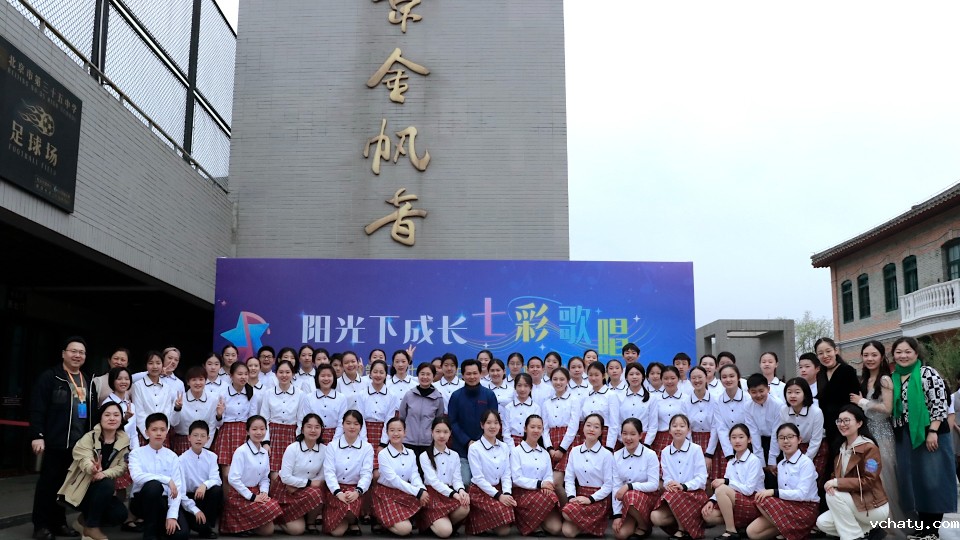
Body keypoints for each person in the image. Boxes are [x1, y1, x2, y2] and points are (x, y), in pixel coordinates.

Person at [30, 336, 96, 540]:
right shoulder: (51, 377)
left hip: (78, 445)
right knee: (48, 485)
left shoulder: (87, 380)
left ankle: (59, 523)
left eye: (81, 352)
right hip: (55, 442)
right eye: (73, 351)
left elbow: (92, 415)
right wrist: (37, 435)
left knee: (65, 487)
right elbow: (37, 408)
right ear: (63, 354)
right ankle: (41, 526)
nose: (77, 355)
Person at [891, 336, 956, 539]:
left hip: (929, 433)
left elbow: (939, 403)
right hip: (905, 436)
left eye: (907, 351)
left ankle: (932, 531)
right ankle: (922, 528)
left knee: (933, 481)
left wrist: (933, 431)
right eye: (898, 352)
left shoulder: (927, 373)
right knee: (914, 482)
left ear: (916, 353)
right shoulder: (894, 377)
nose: (903, 355)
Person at [57, 401, 130, 540]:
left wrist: (104, 473)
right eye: (107, 415)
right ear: (100, 418)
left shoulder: (123, 441)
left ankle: (83, 521)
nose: (112, 418)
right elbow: (83, 457)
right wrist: (93, 468)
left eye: (116, 415)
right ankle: (91, 528)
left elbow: (122, 467)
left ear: (121, 419)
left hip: (103, 490)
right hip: (82, 489)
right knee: (107, 484)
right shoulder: (89, 437)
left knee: (119, 514)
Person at [816, 404, 888, 540]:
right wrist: (833, 483)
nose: (842, 424)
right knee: (823, 522)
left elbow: (869, 480)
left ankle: (853, 537)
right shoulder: (841, 448)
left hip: (872, 506)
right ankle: (868, 532)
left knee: (833, 496)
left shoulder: (869, 448)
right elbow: (835, 475)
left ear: (859, 423)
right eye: (839, 421)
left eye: (847, 420)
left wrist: (836, 483)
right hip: (852, 503)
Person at [850, 340, 902, 524]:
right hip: (867, 436)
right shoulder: (864, 380)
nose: (869, 359)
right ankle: (875, 523)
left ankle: (890, 524)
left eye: (874, 355)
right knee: (870, 477)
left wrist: (863, 402)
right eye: (866, 355)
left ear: (882, 357)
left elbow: (887, 408)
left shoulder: (885, 379)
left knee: (883, 478)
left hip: (882, 436)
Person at [746, 423, 819, 540]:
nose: (786, 441)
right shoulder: (780, 465)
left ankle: (795, 531)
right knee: (752, 532)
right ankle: (792, 530)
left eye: (790, 437)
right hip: (787, 507)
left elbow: (802, 494)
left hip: (805, 508)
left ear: (799, 440)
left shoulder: (806, 463)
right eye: (782, 438)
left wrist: (773, 492)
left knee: (763, 500)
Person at [128, 412, 190, 540]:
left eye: (162, 430)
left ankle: (160, 527)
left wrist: (172, 516)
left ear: (167, 432)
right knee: (154, 486)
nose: (158, 433)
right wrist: (166, 479)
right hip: (142, 501)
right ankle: (150, 533)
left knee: (181, 535)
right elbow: (137, 477)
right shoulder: (136, 453)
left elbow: (177, 487)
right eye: (154, 429)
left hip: (164, 502)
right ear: (147, 432)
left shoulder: (172, 456)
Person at [221, 415, 283, 536]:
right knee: (272, 508)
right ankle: (237, 525)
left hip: (256, 492)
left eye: (262, 429)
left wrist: (264, 492)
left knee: (267, 530)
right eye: (254, 429)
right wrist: (252, 496)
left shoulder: (264, 452)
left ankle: (248, 525)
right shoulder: (241, 451)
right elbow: (233, 479)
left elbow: (265, 478)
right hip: (240, 495)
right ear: (247, 431)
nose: (259, 432)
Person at [650, 414, 709, 540]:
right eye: (674, 426)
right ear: (669, 430)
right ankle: (686, 523)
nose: (678, 429)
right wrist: (669, 484)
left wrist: (684, 486)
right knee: (655, 516)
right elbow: (666, 477)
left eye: (682, 426)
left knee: (674, 495)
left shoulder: (696, 449)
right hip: (674, 494)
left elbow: (702, 478)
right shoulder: (665, 452)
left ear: (688, 430)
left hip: (694, 494)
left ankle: (682, 530)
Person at [702, 423, 764, 540]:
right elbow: (726, 484)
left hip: (753, 502)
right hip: (737, 501)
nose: (737, 441)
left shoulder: (754, 461)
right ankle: (740, 527)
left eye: (741, 437)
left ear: (749, 439)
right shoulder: (731, 462)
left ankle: (731, 531)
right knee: (708, 515)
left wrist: (726, 481)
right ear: (729, 440)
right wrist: (712, 500)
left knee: (721, 488)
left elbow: (748, 490)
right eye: (733, 437)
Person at [561, 413, 615, 538]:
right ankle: (590, 526)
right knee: (568, 531)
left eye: (596, 427)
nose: (591, 429)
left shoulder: (606, 455)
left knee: (567, 514)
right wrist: (571, 497)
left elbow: (608, 485)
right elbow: (569, 478)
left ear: (601, 431)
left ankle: (592, 523)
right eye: (588, 425)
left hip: (598, 499)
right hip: (579, 496)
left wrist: (591, 499)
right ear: (583, 427)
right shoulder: (575, 451)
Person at [373, 418, 428, 536]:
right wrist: (417, 492)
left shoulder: (411, 453)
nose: (396, 433)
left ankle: (399, 520)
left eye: (399, 430)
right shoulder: (383, 454)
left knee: (427, 500)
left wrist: (421, 489)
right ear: (387, 433)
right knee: (405, 529)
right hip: (386, 494)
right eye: (392, 430)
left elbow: (414, 475)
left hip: (405, 492)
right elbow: (394, 480)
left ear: (405, 432)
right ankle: (383, 521)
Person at [448, 359, 500, 486]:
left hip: (485, 447)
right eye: (468, 374)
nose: (472, 377)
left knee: (486, 481)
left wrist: (480, 441)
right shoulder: (456, 396)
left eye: (475, 373)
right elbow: (452, 422)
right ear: (462, 375)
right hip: (462, 449)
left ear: (480, 373)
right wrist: (467, 441)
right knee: (465, 481)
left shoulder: (489, 395)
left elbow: (493, 422)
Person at [323, 410, 374, 536]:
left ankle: (352, 521)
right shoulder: (332, 446)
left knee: (349, 508)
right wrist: (337, 492)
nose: (352, 427)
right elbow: (329, 472)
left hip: (355, 490)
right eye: (348, 423)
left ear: (361, 427)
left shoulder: (367, 447)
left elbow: (367, 473)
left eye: (356, 424)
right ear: (343, 425)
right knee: (337, 532)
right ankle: (348, 521)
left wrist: (357, 492)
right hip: (336, 490)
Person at [511, 414, 563, 536]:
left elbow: (548, 475)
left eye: (539, 428)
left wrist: (547, 485)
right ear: (525, 429)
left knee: (556, 529)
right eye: (532, 427)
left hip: (542, 493)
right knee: (546, 498)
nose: (536, 430)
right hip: (523, 493)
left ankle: (537, 520)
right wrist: (540, 484)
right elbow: (516, 478)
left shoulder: (544, 453)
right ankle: (529, 522)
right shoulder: (516, 451)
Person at [466, 410, 516, 536]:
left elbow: (506, 474)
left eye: (496, 423)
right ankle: (478, 519)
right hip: (480, 492)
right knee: (503, 524)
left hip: (499, 489)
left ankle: (489, 522)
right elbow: (478, 478)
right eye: (488, 423)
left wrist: (507, 494)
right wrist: (499, 496)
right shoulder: (474, 448)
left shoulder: (504, 447)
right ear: (482, 425)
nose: (492, 426)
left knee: (504, 530)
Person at [418, 417, 470, 538]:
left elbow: (457, 479)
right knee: (445, 532)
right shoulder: (424, 456)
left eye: (445, 432)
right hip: (433, 495)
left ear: (450, 433)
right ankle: (434, 525)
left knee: (465, 507)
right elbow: (434, 482)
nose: (442, 435)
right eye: (438, 431)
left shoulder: (455, 455)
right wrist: (454, 494)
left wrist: (461, 491)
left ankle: (444, 525)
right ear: (432, 432)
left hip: (449, 494)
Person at [276, 413, 327, 535]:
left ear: (321, 430)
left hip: (308, 490)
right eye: (309, 426)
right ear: (302, 429)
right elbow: (285, 477)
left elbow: (323, 475)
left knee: (317, 492)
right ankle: (278, 520)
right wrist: (308, 483)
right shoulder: (292, 448)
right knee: (296, 530)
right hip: (287, 491)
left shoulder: (325, 450)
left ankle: (310, 522)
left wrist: (304, 485)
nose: (313, 430)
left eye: (317, 427)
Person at [768, 378, 826, 484]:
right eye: (789, 392)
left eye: (797, 392)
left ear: (805, 394)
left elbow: (816, 440)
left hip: (814, 449)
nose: (793, 396)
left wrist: (803, 461)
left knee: (810, 480)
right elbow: (782, 435)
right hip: (792, 447)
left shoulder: (816, 412)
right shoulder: (784, 410)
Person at [611, 417, 660, 540]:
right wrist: (617, 515)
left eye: (633, 434)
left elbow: (654, 484)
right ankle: (636, 521)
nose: (628, 438)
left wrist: (629, 486)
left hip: (647, 498)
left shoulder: (650, 455)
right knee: (620, 534)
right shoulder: (616, 456)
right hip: (627, 502)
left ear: (640, 435)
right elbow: (616, 487)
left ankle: (644, 526)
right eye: (625, 433)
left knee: (630, 495)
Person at [213, 361, 261, 484]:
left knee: (243, 473)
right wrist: (219, 415)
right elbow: (218, 424)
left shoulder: (251, 393)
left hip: (244, 433)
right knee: (227, 475)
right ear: (231, 376)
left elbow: (253, 418)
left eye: (245, 374)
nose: (243, 377)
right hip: (227, 433)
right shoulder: (223, 393)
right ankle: (226, 497)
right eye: (240, 374)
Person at [816, 338, 861, 461]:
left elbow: (854, 400)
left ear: (835, 351)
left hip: (846, 425)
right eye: (820, 353)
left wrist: (847, 422)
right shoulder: (820, 374)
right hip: (829, 426)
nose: (825, 356)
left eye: (828, 351)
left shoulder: (847, 370)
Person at [542, 367, 582, 506]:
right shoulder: (547, 402)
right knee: (551, 483)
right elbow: (544, 428)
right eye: (555, 379)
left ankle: (569, 510)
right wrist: (549, 448)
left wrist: (561, 449)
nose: (558, 382)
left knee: (558, 482)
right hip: (552, 443)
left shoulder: (574, 400)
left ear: (568, 381)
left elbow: (573, 427)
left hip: (569, 443)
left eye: (562, 379)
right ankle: (563, 510)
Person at [178, 420, 223, 539]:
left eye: (203, 436)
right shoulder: (181, 460)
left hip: (205, 495)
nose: (199, 439)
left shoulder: (212, 457)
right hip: (188, 498)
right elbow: (181, 491)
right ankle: (198, 524)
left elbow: (217, 479)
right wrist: (194, 509)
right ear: (189, 437)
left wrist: (204, 485)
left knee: (216, 490)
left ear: (208, 439)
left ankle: (207, 527)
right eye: (195, 435)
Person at [710, 364, 754, 483]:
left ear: (738, 377)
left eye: (731, 376)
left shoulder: (747, 398)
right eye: (724, 377)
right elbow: (721, 428)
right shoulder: (718, 400)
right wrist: (729, 454)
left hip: (748, 444)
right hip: (728, 445)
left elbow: (750, 424)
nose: (728, 380)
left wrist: (744, 444)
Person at [261, 360, 307, 473]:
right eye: (281, 372)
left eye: (287, 372)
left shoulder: (300, 394)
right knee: (274, 473)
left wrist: (298, 440)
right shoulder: (268, 393)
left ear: (293, 374)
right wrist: (265, 442)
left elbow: (301, 419)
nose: (284, 375)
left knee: (290, 472)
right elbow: (264, 419)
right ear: (276, 374)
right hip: (273, 434)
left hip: (292, 435)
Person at [742, 373, 784, 486]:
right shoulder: (747, 406)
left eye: (761, 391)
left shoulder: (778, 405)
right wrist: (760, 460)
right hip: (759, 442)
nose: (758, 395)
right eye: (754, 392)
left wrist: (772, 459)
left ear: (768, 389)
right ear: (748, 392)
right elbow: (753, 433)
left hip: (777, 441)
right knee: (760, 474)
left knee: (775, 474)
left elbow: (776, 432)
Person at [172, 367, 223, 455]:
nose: (198, 383)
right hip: (183, 440)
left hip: (204, 442)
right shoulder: (180, 398)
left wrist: (205, 446)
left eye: (201, 379)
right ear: (188, 382)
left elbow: (212, 425)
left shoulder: (213, 399)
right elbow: (173, 423)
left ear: (205, 381)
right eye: (194, 380)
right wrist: (177, 408)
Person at [397, 362, 445, 457]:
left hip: (428, 443)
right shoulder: (409, 395)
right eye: (422, 374)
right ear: (418, 375)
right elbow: (402, 417)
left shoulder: (438, 398)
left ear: (433, 376)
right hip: (408, 441)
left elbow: (438, 421)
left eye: (428, 374)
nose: (425, 377)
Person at [132, 350, 178, 447]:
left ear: (162, 365)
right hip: (145, 433)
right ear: (146, 365)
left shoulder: (167, 388)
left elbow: (167, 411)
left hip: (162, 435)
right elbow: (139, 412)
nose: (155, 366)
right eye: (151, 363)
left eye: (158, 363)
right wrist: (149, 433)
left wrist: (163, 431)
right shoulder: (138, 386)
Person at [298, 364, 349, 444]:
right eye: (322, 376)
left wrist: (335, 441)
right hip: (313, 436)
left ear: (334, 378)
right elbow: (306, 420)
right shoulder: (309, 397)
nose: (326, 379)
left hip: (336, 437)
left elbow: (341, 422)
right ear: (317, 378)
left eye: (329, 376)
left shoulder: (341, 398)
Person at [646, 365, 687, 456]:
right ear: (661, 380)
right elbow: (653, 423)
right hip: (661, 439)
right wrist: (647, 443)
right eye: (666, 378)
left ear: (678, 379)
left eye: (672, 378)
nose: (669, 381)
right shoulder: (655, 399)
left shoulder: (686, 399)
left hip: (681, 438)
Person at [579, 361, 620, 449]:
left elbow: (614, 424)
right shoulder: (585, 395)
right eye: (590, 375)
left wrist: (609, 446)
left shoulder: (611, 395)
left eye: (596, 375)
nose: (593, 378)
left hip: (604, 436)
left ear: (604, 375)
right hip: (587, 436)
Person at [684, 366, 717, 473]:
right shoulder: (685, 402)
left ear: (706, 378)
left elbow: (715, 427)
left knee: (712, 476)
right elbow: (686, 427)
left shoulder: (715, 400)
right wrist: (691, 449)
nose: (697, 380)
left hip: (713, 442)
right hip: (693, 441)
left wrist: (709, 453)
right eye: (693, 378)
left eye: (700, 377)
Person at [503, 373, 542, 446]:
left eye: (526, 386)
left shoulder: (536, 408)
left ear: (531, 387)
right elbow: (506, 431)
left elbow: (536, 429)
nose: (522, 389)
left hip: (529, 443)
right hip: (511, 443)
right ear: (515, 387)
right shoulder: (508, 407)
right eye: (519, 385)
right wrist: (512, 448)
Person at [619, 363, 654, 442]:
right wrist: (623, 440)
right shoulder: (619, 397)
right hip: (624, 439)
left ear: (643, 377)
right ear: (626, 377)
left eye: (638, 374)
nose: (634, 377)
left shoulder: (652, 398)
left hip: (644, 439)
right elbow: (617, 422)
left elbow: (653, 425)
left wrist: (647, 443)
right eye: (631, 374)